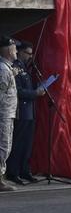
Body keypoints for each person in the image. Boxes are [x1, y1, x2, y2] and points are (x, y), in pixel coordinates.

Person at [7, 41, 43, 185]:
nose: (30, 56)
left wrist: (38, 88)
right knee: (18, 143)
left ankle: (25, 170)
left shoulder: (26, 68)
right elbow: (18, 91)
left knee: (27, 143)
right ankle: (13, 172)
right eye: (28, 53)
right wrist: (35, 93)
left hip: (29, 111)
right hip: (20, 111)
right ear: (20, 52)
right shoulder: (15, 67)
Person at [0, 37, 16, 192]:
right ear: (9, 50)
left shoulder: (6, 68)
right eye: (14, 48)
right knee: (3, 146)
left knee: (6, 146)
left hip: (8, 112)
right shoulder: (3, 69)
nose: (16, 51)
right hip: (3, 113)